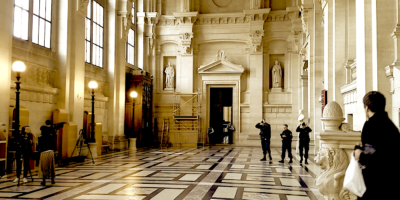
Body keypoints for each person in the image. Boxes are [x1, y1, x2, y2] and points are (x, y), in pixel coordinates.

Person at [353, 91, 400, 199]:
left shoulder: (370, 125)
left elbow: (374, 157)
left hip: (374, 184)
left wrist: (359, 155)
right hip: (391, 182)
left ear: (367, 108)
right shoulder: (391, 127)